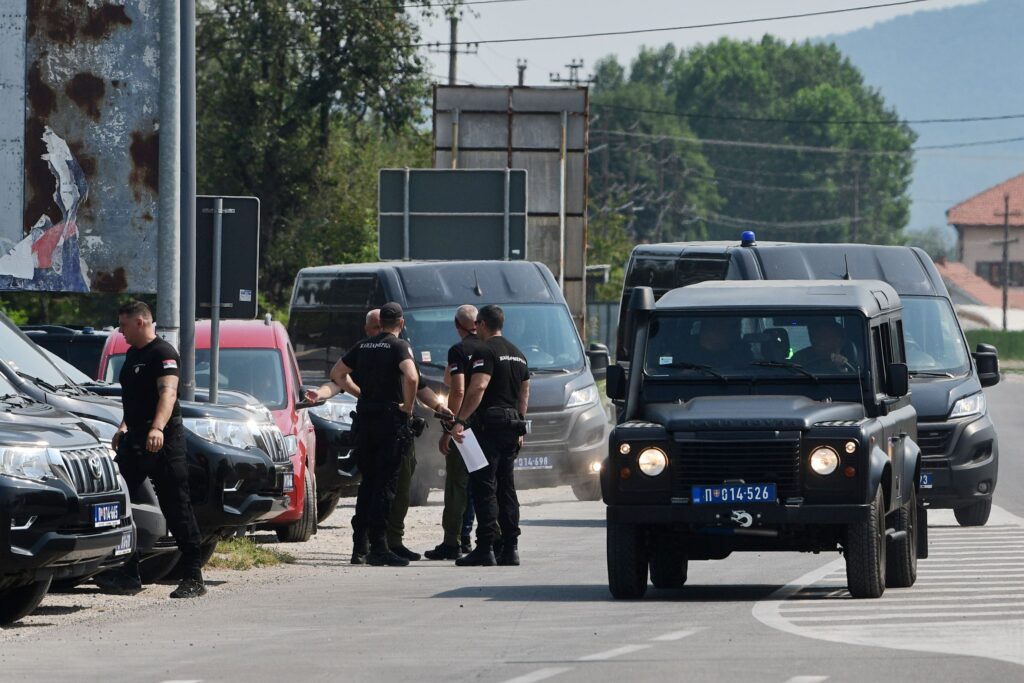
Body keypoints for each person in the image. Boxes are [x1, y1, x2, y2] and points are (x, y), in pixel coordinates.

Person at [306, 308, 450, 563]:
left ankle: (360, 547)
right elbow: (413, 378)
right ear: (401, 322)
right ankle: (379, 548)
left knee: (368, 484)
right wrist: (407, 407)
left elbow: (337, 375)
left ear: (380, 323)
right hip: (389, 425)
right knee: (385, 487)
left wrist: (361, 394)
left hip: (365, 424)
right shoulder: (399, 347)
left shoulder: (362, 347)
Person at [98, 301, 206, 598]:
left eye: (124, 325)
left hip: (163, 441)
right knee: (121, 501)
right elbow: (134, 399)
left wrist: (157, 428)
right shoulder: (133, 355)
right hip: (135, 440)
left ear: (141, 322)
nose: (121, 331)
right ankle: (129, 571)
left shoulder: (164, 354)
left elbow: (168, 394)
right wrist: (123, 427)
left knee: (176, 505)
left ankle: (193, 576)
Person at [452, 305, 530, 567]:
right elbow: (524, 395)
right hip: (511, 428)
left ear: (483, 324)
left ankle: (485, 548)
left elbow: (478, 387)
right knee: (507, 488)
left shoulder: (484, 351)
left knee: (484, 486)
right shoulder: (519, 354)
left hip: (490, 427)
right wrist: (520, 425)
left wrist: (460, 420)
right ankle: (511, 548)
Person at [424, 305, 482, 561]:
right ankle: (480, 538)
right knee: (484, 484)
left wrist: (451, 426)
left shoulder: (459, 350)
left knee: (458, 485)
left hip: (465, 427)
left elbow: (456, 390)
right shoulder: (491, 347)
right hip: (489, 427)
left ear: (457, 326)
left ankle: (453, 542)